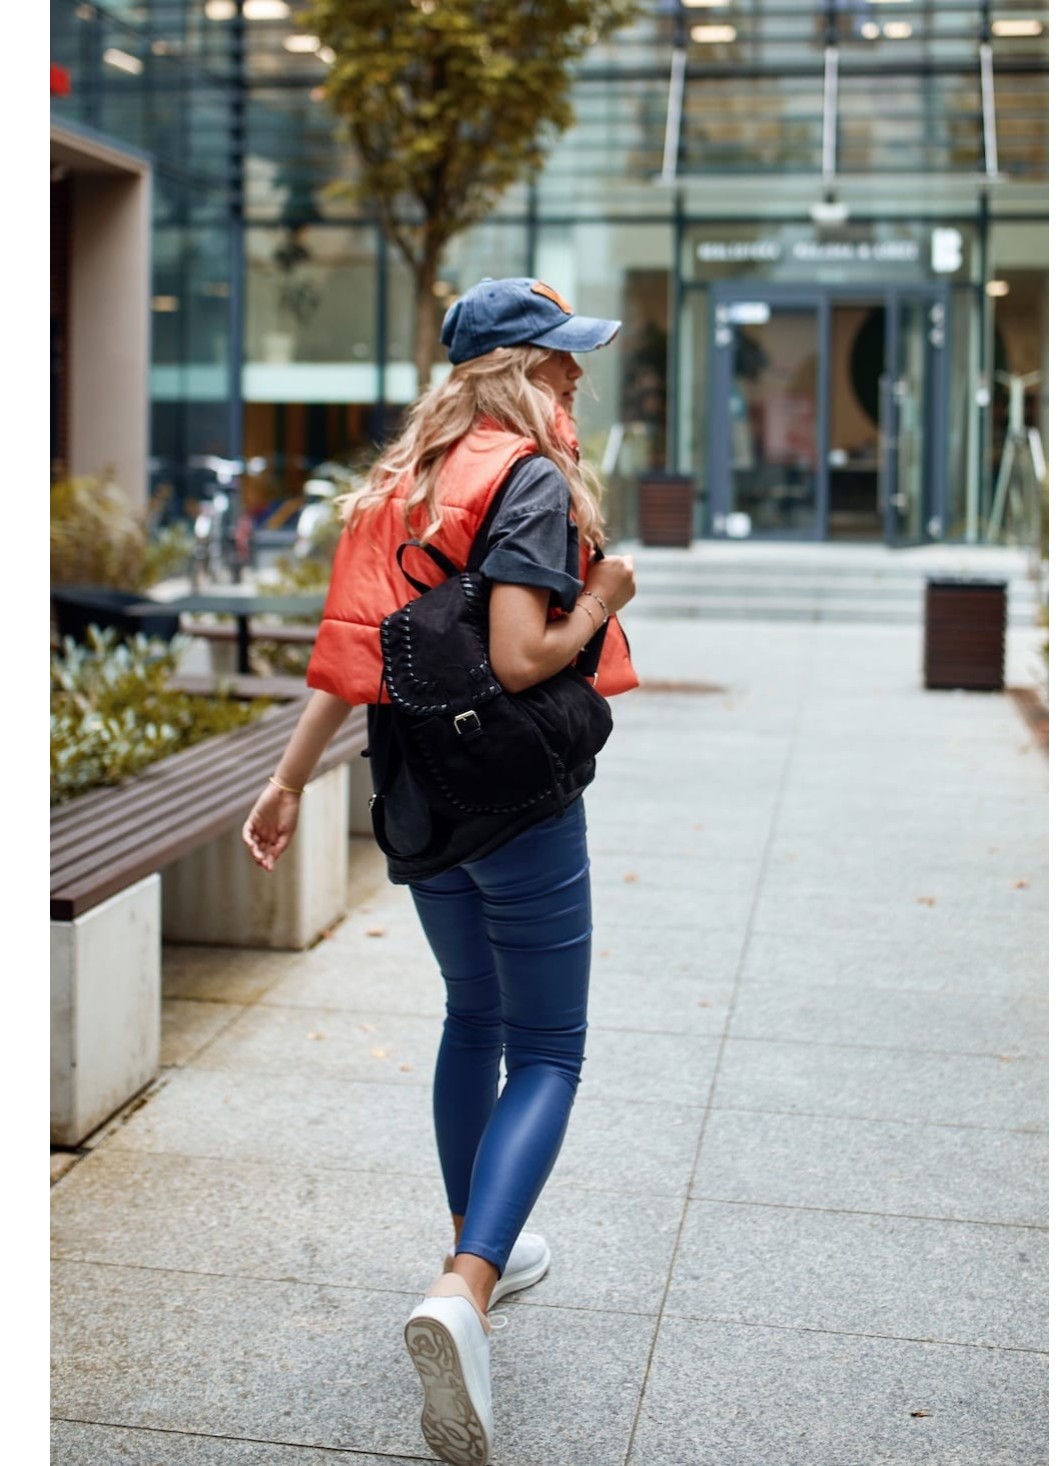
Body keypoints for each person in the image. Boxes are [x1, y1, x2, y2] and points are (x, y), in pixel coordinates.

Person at [241, 276, 639, 1466]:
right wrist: (605, 597)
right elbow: (522, 658)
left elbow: (345, 656)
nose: (575, 376)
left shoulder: (398, 486)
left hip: (415, 802)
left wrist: (286, 777)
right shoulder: (521, 478)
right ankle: (465, 1283)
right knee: (551, 1045)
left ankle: (490, 1239)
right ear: (513, 371)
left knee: (474, 1013)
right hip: (511, 797)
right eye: (559, 360)